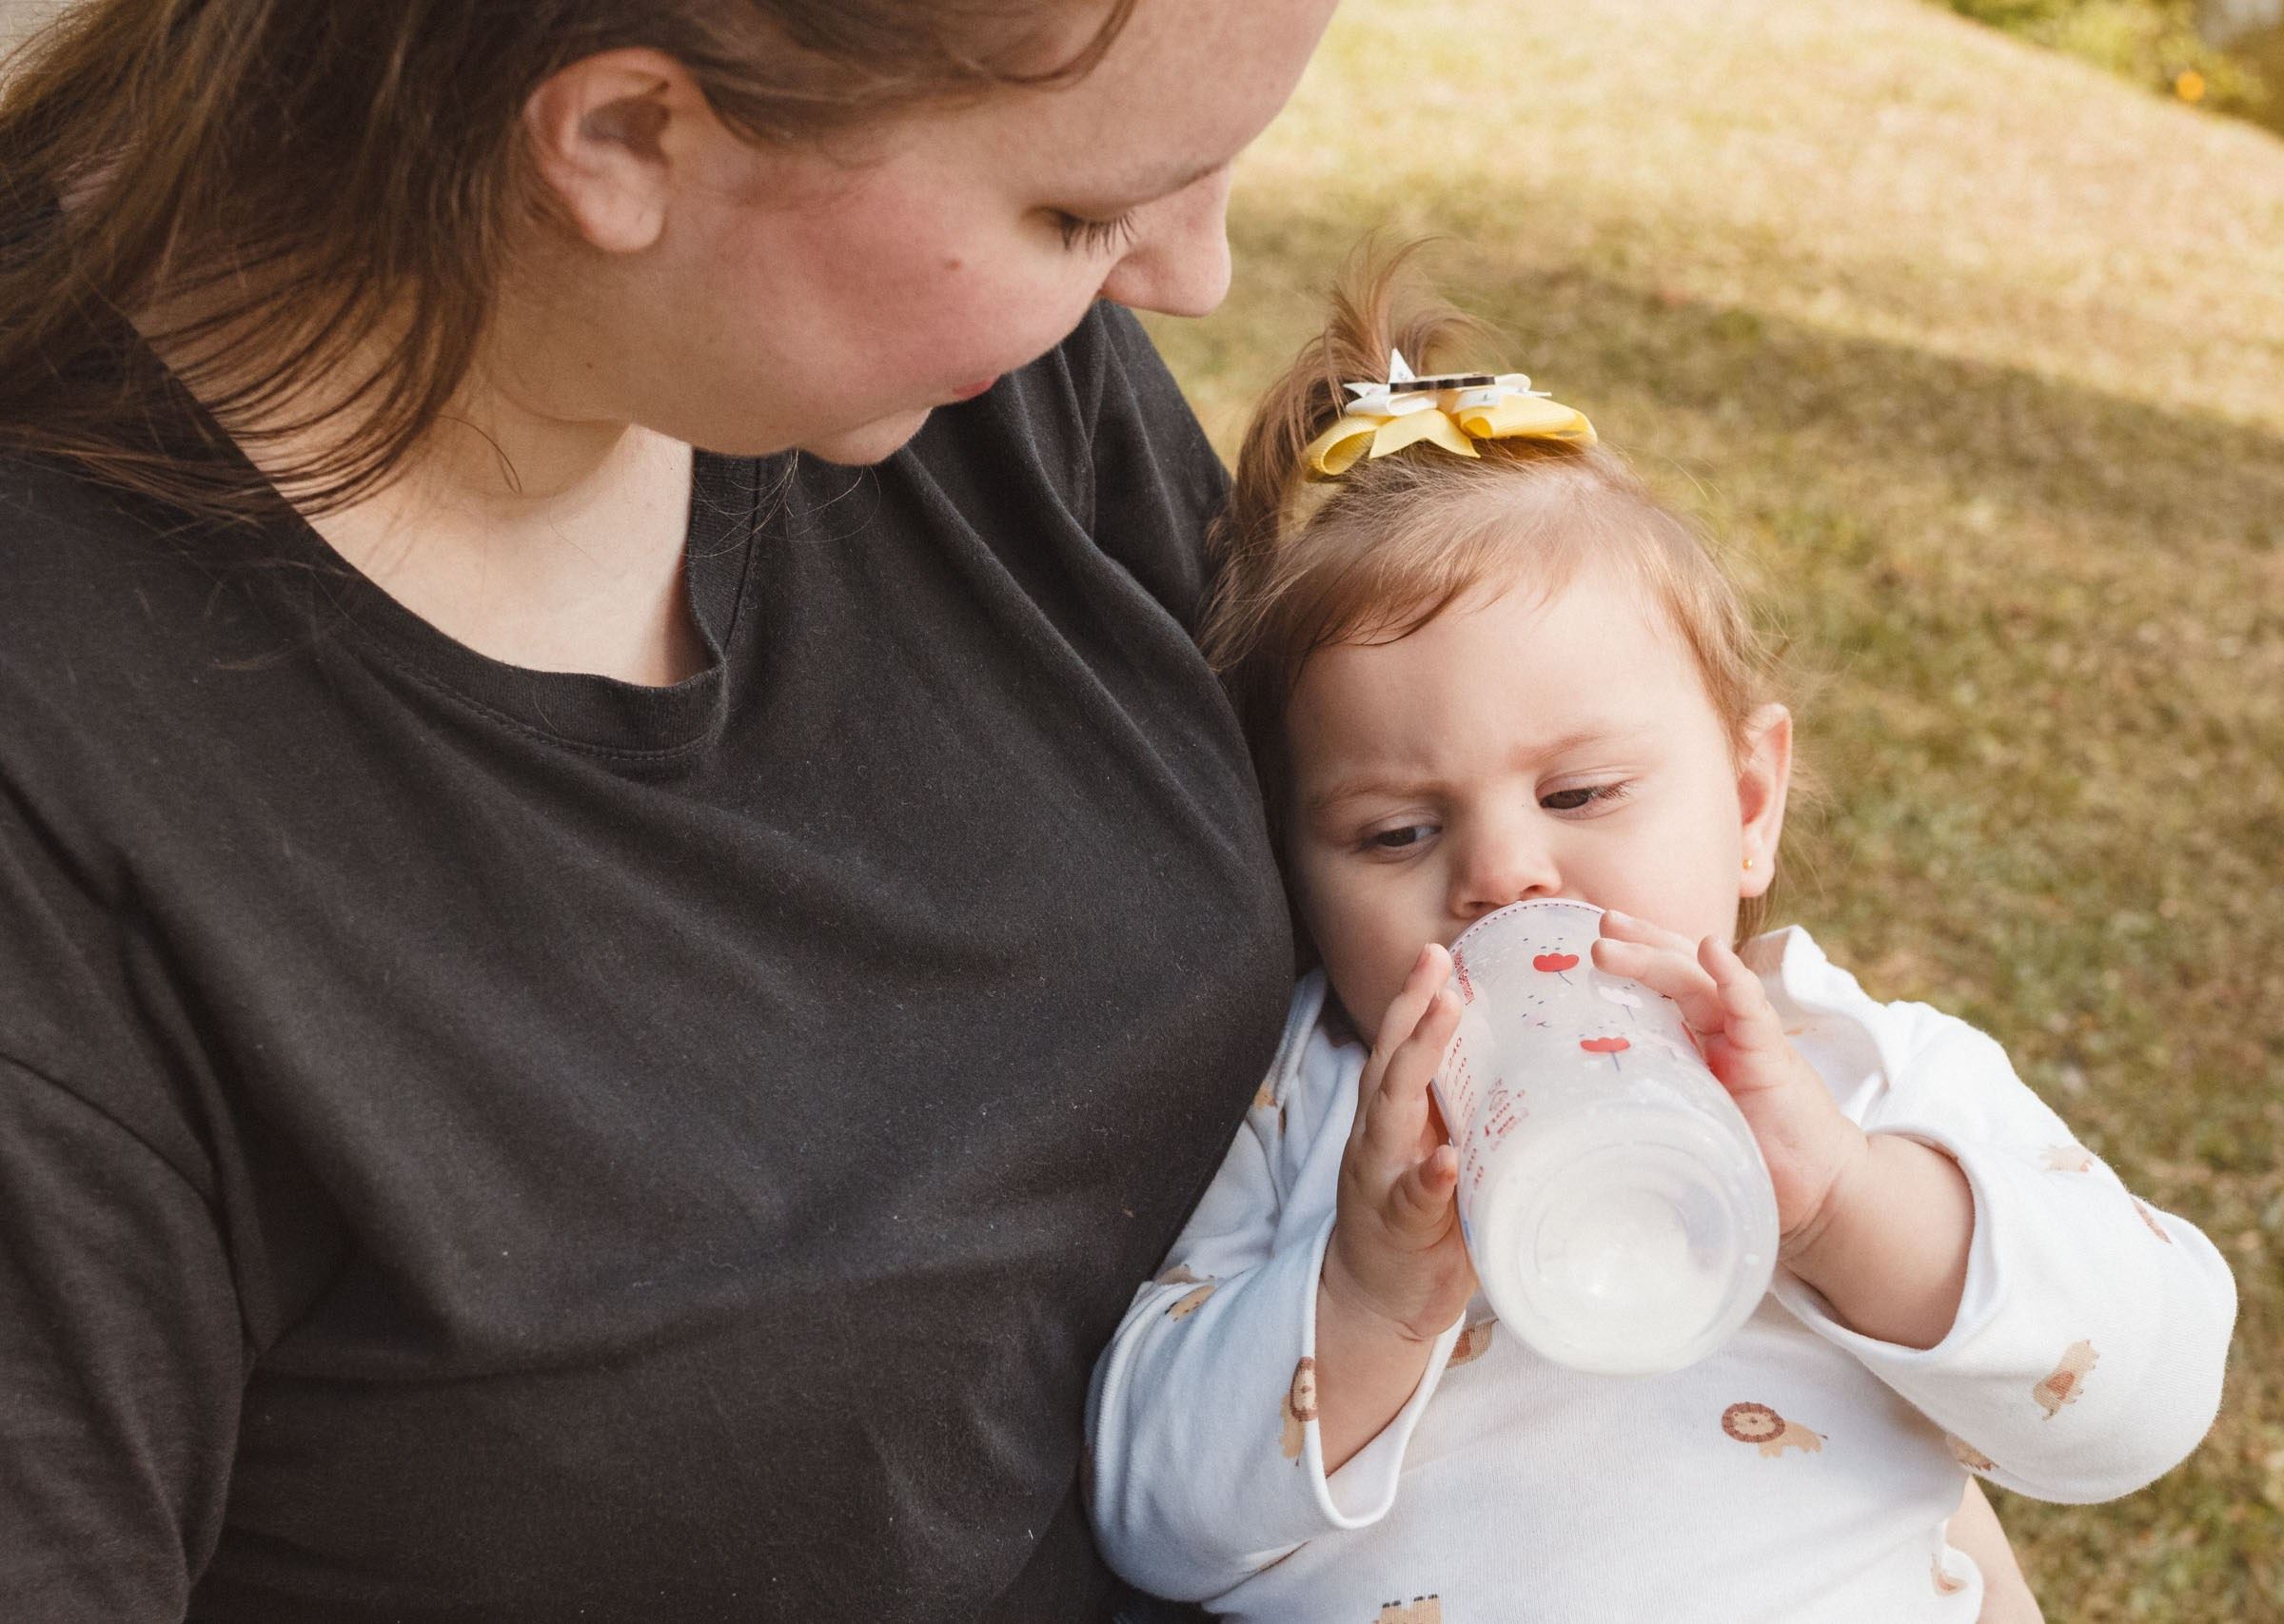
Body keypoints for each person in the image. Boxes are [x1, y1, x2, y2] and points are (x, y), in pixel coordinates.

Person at [0, 1, 1343, 1618]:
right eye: (1078, 211)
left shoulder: (940, 375)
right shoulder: (65, 811)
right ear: (624, 138)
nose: (1186, 276)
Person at [1085, 259, 2237, 1621]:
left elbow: (2144, 1400)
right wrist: (1368, 1292)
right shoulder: (1301, 1108)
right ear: (1294, 872)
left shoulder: (1850, 1067)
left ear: (1750, 807)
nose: (1505, 871)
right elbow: (1149, 1519)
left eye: (1579, 794)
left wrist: (1846, 1209)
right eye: (1397, 833)